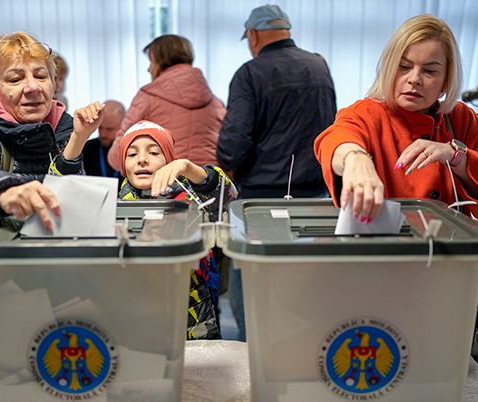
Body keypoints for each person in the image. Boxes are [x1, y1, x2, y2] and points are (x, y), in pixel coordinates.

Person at [314, 14, 478, 222]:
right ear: (389, 68)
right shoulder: (367, 113)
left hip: (447, 249)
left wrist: (456, 155)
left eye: (429, 71)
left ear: (446, 81)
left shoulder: (462, 119)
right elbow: (334, 139)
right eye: (404, 67)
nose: (414, 79)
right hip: (386, 251)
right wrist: (356, 160)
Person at [216, 4, 336, 342]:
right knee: (305, 293)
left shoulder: (250, 73)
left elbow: (232, 145)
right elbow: (331, 133)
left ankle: (254, 368)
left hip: (260, 202)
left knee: (250, 293)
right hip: (315, 200)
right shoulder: (319, 68)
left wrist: (226, 160)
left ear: (253, 35)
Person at [0, 32, 104, 233]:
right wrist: (2, 190)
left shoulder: (63, 131)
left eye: (41, 76)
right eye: (15, 79)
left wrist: (78, 139)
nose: (33, 87)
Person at [118, 120, 237, 339]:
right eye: (132, 155)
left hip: (193, 312)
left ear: (168, 160)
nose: (142, 159)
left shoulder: (191, 195)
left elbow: (227, 194)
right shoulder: (116, 203)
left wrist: (188, 167)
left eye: (153, 152)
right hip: (138, 308)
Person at [107, 34, 225, 171]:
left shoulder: (147, 98)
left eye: (151, 62)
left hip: (165, 185)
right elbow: (231, 151)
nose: (149, 69)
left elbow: (118, 156)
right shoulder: (216, 103)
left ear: (161, 62)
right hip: (209, 184)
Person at [82, 100, 125, 182]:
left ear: (123, 126)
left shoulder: (132, 151)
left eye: (110, 129)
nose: (103, 134)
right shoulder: (87, 148)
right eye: (100, 128)